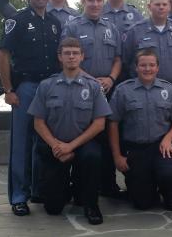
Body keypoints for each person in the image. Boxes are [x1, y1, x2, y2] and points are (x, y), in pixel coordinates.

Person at [27, 37, 111, 224]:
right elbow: (38, 122)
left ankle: (91, 204)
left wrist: (70, 146)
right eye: (67, 53)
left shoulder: (93, 86)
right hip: (55, 147)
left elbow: (99, 124)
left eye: (75, 53)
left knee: (93, 156)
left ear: (82, 56)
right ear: (60, 57)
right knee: (53, 208)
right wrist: (57, 146)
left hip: (82, 145)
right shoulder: (47, 86)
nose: (71, 57)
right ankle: (66, 188)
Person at [0, 0, 61, 216]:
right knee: (21, 144)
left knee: (43, 142)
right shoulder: (18, 20)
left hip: (49, 88)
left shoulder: (55, 22)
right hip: (26, 88)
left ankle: (37, 189)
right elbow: (3, 54)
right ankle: (18, 197)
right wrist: (8, 90)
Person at [61, 0, 123, 198]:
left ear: (102, 1)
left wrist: (111, 78)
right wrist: (90, 80)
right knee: (84, 138)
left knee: (108, 138)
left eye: (98, 0)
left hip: (108, 88)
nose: (95, 4)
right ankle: (80, 187)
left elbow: (118, 58)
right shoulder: (73, 26)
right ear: (83, 1)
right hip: (81, 89)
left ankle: (108, 184)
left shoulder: (111, 27)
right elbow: (66, 57)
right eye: (90, 0)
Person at [108, 49, 172, 210]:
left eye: (152, 65)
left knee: (169, 174)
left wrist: (168, 139)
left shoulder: (169, 89)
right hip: (136, 150)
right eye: (143, 65)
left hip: (161, 147)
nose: (147, 69)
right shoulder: (123, 90)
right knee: (142, 203)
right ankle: (147, 189)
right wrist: (117, 156)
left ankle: (169, 194)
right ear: (136, 67)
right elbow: (113, 124)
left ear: (157, 67)